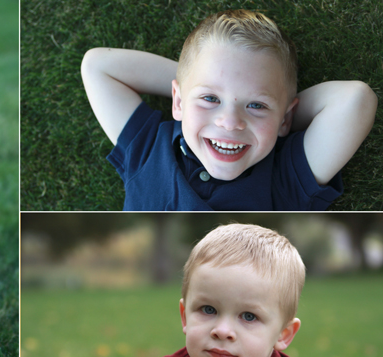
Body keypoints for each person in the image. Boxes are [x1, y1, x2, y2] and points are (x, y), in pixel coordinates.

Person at [81, 9, 377, 210]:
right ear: (179, 102)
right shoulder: (148, 147)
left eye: (256, 105)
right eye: (210, 99)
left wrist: (275, 115)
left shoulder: (284, 178)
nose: (230, 121)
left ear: (286, 118)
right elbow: (97, 66)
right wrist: (192, 79)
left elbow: (355, 99)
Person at [124, 223, 319, 357]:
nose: (223, 331)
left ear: (283, 334)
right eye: (208, 309)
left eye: (249, 316)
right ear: (185, 317)